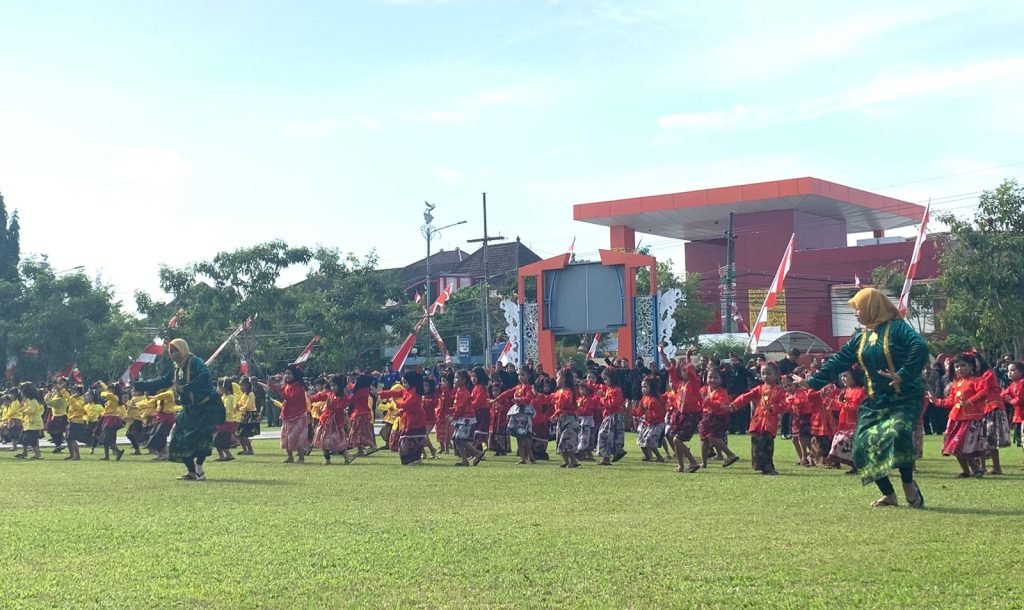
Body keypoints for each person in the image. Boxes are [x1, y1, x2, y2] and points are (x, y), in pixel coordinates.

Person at [799, 288, 928, 508]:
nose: (856, 313)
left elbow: (920, 346)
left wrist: (903, 375)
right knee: (860, 447)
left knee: (898, 435)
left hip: (904, 398)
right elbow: (839, 360)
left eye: (858, 308)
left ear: (872, 307)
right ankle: (889, 494)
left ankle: (908, 485)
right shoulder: (861, 338)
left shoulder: (898, 329)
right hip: (875, 403)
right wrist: (812, 382)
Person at [135, 338, 224, 481]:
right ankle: (191, 472)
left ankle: (199, 468)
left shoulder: (195, 362)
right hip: (188, 411)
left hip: (205, 409)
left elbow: (205, 375)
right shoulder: (176, 369)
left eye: (176, 350)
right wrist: (139, 385)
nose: (173, 354)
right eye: (171, 351)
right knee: (178, 440)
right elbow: (163, 381)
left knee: (202, 440)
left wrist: (187, 388)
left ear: (183, 349)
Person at [731, 361, 786, 475]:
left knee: (767, 445)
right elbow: (746, 396)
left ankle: (768, 467)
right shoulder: (759, 388)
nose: (765, 376)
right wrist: (734, 404)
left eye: (768, 373)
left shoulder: (779, 391)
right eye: (763, 373)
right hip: (758, 421)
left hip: (770, 422)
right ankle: (759, 465)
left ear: (776, 375)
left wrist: (772, 408)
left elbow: (784, 405)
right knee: (756, 444)